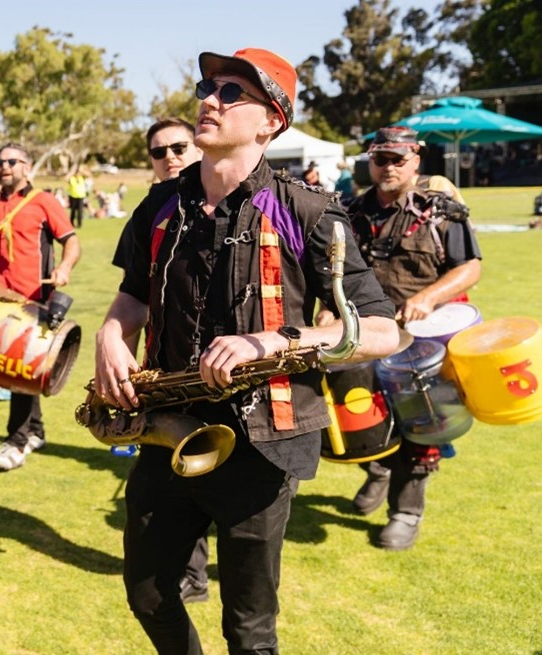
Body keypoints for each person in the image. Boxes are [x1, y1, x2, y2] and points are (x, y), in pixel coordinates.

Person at [94, 49, 400, 654]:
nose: (210, 99)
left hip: (266, 443)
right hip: (168, 430)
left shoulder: (308, 211)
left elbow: (382, 330)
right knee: (149, 594)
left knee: (249, 629)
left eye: (232, 93)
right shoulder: (160, 206)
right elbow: (132, 297)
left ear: (270, 120)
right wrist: (110, 335)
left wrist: (272, 340)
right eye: (209, 86)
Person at [334, 126, 482, 551]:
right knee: (362, 417)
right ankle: (379, 471)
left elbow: (469, 267)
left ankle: (406, 511)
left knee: (421, 428)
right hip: (365, 335)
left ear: (416, 160)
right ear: (370, 161)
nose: (389, 167)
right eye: (380, 159)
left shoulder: (440, 211)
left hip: (424, 342)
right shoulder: (350, 212)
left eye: (398, 159)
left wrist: (427, 297)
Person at [0, 142, 79, 471]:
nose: (4, 167)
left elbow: (71, 241)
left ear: (26, 166)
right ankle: (35, 430)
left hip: (32, 301)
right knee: (17, 372)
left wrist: (64, 268)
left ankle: (15, 443)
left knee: (19, 372)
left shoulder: (44, 201)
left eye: (11, 161)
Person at [144, 117, 212, 604]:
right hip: (168, 375)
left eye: (179, 146)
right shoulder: (150, 211)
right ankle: (193, 573)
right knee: (180, 476)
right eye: (158, 150)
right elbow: (132, 294)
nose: (169, 156)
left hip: (233, 376)